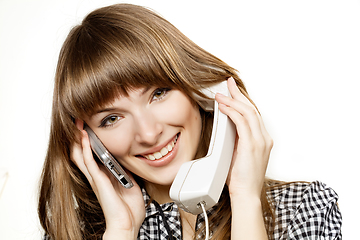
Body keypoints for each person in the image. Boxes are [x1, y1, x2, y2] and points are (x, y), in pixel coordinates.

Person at [38, 3, 342, 240]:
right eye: (112, 118)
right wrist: (122, 230)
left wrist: (246, 200)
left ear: (200, 91)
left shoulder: (303, 209)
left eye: (159, 93)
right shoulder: (76, 232)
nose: (148, 132)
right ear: (91, 142)